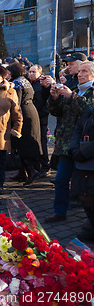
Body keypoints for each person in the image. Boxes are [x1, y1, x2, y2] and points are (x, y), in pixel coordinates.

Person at [45, 61, 94, 223]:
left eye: (84, 71)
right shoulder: (74, 90)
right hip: (66, 145)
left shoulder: (90, 92)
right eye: (79, 71)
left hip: (85, 147)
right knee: (61, 180)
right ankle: (59, 211)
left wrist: (70, 96)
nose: (79, 74)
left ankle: (89, 219)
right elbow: (57, 112)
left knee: (86, 185)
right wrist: (54, 98)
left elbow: (87, 111)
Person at [0, 64, 23, 195]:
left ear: (2, 78)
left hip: (2, 131)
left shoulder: (10, 91)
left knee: (0, 161)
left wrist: (17, 128)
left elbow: (17, 112)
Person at [7, 62, 42, 186]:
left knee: (23, 144)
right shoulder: (24, 80)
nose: (7, 75)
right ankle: (22, 172)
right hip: (31, 111)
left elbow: (16, 103)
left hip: (23, 115)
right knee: (25, 143)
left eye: (9, 73)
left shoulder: (16, 83)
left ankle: (31, 171)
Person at [70, 76, 94, 242]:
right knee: (83, 193)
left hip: (89, 157)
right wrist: (74, 147)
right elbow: (78, 127)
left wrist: (84, 152)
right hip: (83, 158)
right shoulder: (90, 107)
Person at [29, 64, 51, 176]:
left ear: (39, 73)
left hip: (41, 117)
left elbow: (46, 101)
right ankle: (36, 166)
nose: (31, 74)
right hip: (32, 117)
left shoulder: (42, 85)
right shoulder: (29, 84)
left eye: (34, 72)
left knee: (42, 143)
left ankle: (45, 166)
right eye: (30, 71)